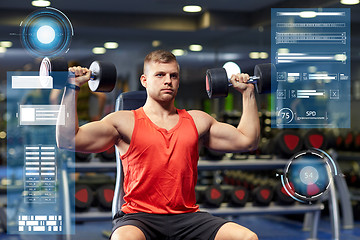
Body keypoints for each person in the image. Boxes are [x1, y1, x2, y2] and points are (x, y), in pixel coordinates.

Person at [57, 50, 260, 240]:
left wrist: (248, 93)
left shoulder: (197, 121)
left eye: (173, 76)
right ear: (144, 81)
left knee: (247, 238)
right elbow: (68, 140)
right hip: (140, 218)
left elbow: (247, 141)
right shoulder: (124, 121)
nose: (168, 81)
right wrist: (72, 87)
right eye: (160, 75)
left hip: (187, 218)